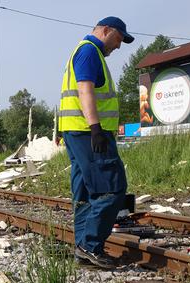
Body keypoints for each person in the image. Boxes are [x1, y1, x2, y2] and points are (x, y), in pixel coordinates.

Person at [58, 16, 132, 268]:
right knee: (112, 187)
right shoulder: (89, 51)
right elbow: (85, 90)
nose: (119, 46)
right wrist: (96, 128)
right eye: (119, 38)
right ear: (106, 30)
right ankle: (90, 245)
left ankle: (83, 247)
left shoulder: (84, 51)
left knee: (84, 192)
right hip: (88, 133)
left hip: (76, 131)